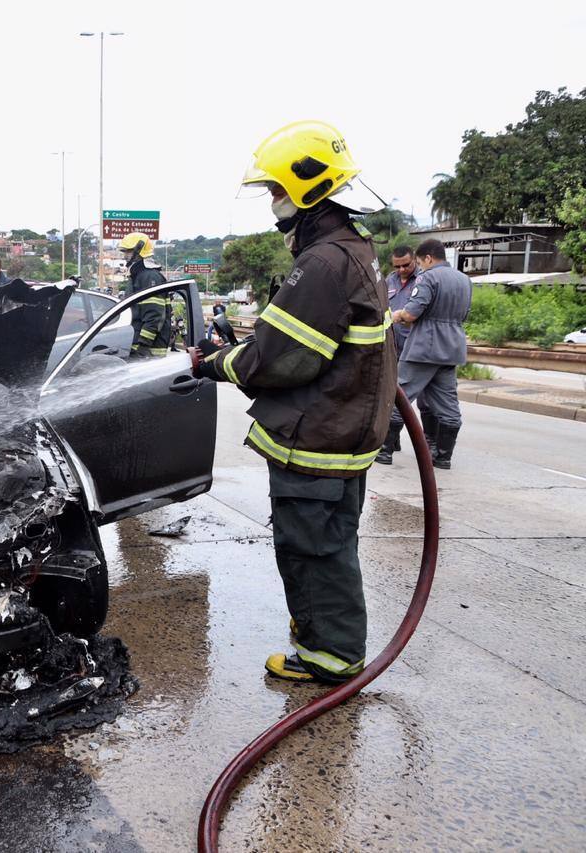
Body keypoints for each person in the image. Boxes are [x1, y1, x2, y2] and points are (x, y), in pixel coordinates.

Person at [191, 120, 397, 684]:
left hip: (320, 435)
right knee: (328, 543)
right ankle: (320, 628)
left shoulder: (323, 263)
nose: (274, 203)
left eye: (277, 191)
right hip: (342, 429)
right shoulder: (352, 249)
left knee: (312, 549)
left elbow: (279, 359)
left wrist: (213, 363)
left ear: (307, 188)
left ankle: (330, 657)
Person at [375, 239, 471, 469]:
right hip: (452, 348)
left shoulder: (428, 277)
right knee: (448, 404)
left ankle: (385, 451)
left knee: (400, 395)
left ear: (428, 258)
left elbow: (412, 313)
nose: (421, 266)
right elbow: (464, 315)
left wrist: (396, 315)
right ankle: (443, 456)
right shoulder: (464, 280)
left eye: (419, 261)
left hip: (424, 347)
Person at [382, 246, 435, 454]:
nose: (402, 269)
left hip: (414, 346)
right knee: (389, 393)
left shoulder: (424, 280)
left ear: (415, 260)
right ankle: (392, 440)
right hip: (391, 345)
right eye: (398, 266)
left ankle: (430, 444)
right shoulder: (390, 280)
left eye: (406, 265)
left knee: (415, 397)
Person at [117, 232, 171, 356]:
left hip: (149, 351)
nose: (125, 256)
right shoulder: (139, 275)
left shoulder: (149, 277)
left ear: (139, 251)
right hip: (140, 347)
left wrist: (143, 344)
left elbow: (154, 315)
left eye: (128, 251)